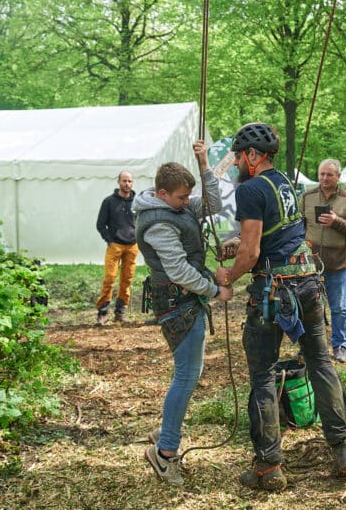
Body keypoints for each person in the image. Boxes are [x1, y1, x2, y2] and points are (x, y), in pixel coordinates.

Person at [216, 123, 346, 492]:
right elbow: (276, 233)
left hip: (273, 294)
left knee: (262, 375)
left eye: (240, 156)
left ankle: (268, 467)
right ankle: (342, 450)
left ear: (253, 155)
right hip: (308, 285)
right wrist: (239, 243)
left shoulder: (250, 189)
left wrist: (227, 277)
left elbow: (252, 252)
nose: (237, 164)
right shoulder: (285, 184)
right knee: (321, 362)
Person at [134, 140, 233, 485]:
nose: (185, 202)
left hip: (184, 300)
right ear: (162, 193)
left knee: (187, 373)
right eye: (180, 197)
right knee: (187, 375)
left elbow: (214, 203)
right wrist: (214, 290)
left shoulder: (174, 207)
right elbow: (177, 271)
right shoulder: (159, 222)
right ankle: (164, 453)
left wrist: (204, 163)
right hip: (177, 302)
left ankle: (165, 433)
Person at [300, 159, 346, 363]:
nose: (325, 178)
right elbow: (298, 225)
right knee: (309, 306)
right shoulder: (307, 197)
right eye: (322, 174)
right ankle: (310, 347)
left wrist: (336, 222)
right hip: (309, 264)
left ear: (338, 177)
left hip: (337, 263)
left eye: (329, 175)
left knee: (339, 308)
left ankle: (340, 346)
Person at [95, 171, 138, 324]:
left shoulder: (137, 202)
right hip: (115, 245)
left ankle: (120, 312)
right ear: (118, 182)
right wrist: (109, 240)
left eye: (130, 181)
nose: (127, 184)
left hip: (132, 246)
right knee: (109, 278)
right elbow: (100, 224)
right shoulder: (109, 201)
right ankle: (103, 311)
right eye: (124, 181)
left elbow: (141, 221)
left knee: (127, 279)